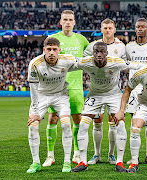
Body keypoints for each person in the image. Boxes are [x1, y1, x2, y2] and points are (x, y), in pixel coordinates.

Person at [70, 42, 145, 172]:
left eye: (102, 51)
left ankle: (119, 162)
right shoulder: (85, 62)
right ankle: (82, 161)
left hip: (113, 95)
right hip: (94, 95)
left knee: (120, 124)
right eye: (96, 51)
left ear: (106, 53)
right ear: (93, 52)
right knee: (83, 125)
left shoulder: (116, 62)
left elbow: (136, 65)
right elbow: (68, 65)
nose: (99, 54)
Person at [43, 10, 89, 166]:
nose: (68, 22)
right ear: (60, 22)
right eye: (65, 19)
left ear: (74, 22)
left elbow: (90, 56)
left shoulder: (81, 40)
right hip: (56, 87)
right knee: (52, 119)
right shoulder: (54, 39)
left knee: (77, 119)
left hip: (76, 86)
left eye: (70, 19)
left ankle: (76, 153)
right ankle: (50, 156)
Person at [27, 37, 78, 173]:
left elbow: (84, 63)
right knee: (32, 126)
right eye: (48, 49)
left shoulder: (67, 60)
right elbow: (33, 89)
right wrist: (35, 111)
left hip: (60, 96)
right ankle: (35, 162)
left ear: (59, 51)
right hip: (41, 97)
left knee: (66, 124)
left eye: (54, 49)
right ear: (44, 50)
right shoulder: (34, 64)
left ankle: (67, 162)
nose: (51, 52)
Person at [83, 18, 126, 165]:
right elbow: (86, 63)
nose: (107, 30)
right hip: (96, 90)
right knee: (97, 121)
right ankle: (97, 154)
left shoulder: (121, 46)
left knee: (113, 121)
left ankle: (111, 155)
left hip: (113, 89)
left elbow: (125, 66)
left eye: (110, 28)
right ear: (101, 29)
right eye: (105, 28)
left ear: (114, 30)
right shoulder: (91, 47)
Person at [125, 18, 147, 165]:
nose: (140, 29)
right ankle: (134, 157)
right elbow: (126, 64)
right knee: (135, 121)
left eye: (143, 27)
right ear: (135, 28)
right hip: (134, 88)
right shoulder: (128, 46)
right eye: (138, 26)